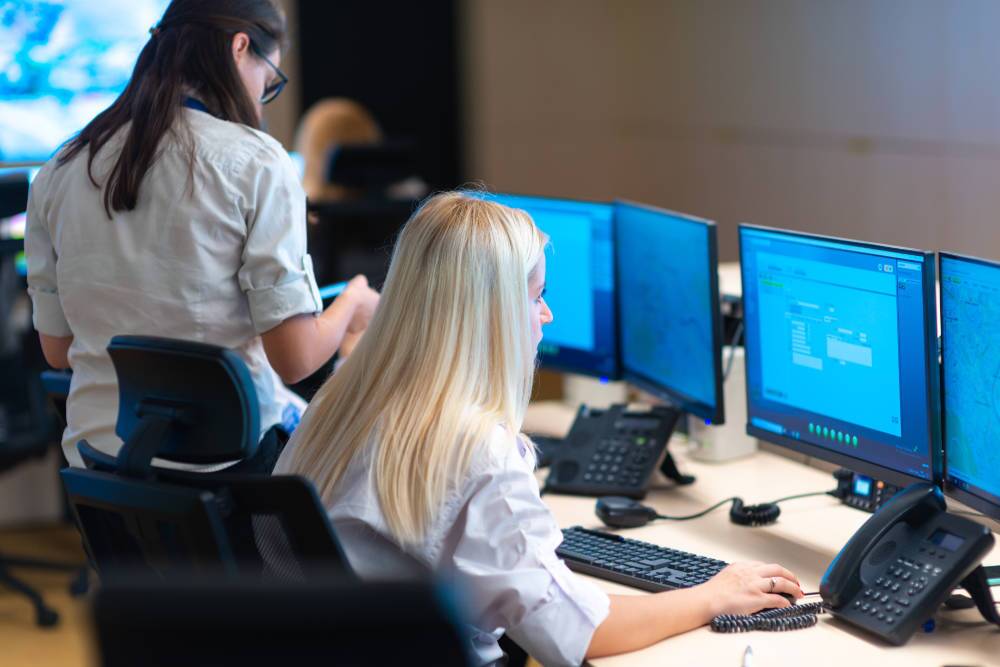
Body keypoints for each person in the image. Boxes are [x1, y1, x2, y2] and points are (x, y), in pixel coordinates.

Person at [275, 192, 804, 666]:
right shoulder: (475, 447)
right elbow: (575, 635)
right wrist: (712, 594)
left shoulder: (340, 402)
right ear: (493, 314)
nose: (545, 314)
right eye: (534, 297)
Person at [24, 0, 378, 471]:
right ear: (239, 48)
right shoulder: (256, 162)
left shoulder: (60, 168)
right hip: (226, 472)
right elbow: (295, 359)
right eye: (268, 83)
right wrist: (354, 300)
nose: (258, 100)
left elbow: (57, 349)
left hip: (102, 467)